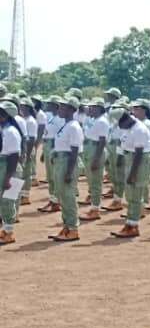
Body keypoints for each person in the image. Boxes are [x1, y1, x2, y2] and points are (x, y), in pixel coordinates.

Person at [110, 105, 150, 239]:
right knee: (130, 195)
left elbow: (139, 154)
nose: (119, 127)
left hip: (138, 163)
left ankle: (133, 226)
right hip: (131, 160)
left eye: (119, 124)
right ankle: (129, 223)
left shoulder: (139, 129)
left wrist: (133, 174)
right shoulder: (128, 127)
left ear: (125, 119)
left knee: (135, 196)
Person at [49, 96, 84, 242]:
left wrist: (69, 172)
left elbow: (74, 152)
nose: (60, 109)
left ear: (71, 109)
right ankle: (67, 226)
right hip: (61, 161)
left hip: (68, 162)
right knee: (62, 195)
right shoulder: (66, 124)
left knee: (68, 196)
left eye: (63, 107)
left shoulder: (74, 126)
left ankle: (73, 229)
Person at [79, 98, 110, 222]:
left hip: (95, 149)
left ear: (99, 109)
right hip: (88, 148)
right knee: (91, 180)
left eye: (92, 107)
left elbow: (102, 141)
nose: (89, 109)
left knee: (96, 181)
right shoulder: (92, 119)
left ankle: (95, 209)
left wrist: (97, 159)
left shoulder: (102, 121)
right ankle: (93, 205)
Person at [0, 100, 23, 245]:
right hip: (3, 165)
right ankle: (6, 230)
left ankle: (9, 232)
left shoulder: (11, 132)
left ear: (5, 115)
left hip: (10, 168)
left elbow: (14, 156)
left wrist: (8, 178)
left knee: (8, 200)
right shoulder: (3, 129)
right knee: (3, 201)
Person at [17, 98, 37, 206]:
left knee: (26, 174)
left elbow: (32, 139)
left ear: (28, 108)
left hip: (28, 149)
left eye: (24, 106)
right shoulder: (23, 119)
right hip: (24, 149)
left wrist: (28, 154)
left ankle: (25, 196)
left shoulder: (31, 121)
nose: (21, 108)